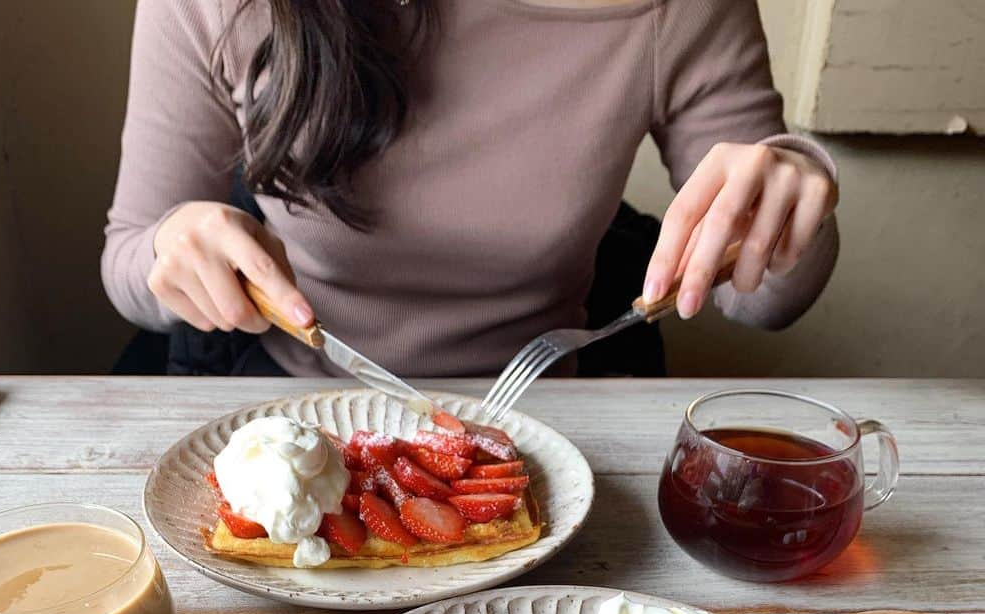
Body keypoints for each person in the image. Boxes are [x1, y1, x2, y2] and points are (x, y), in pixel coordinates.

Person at [102, 0, 838, 378]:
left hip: (548, 433)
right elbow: (129, 259)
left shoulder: (672, 12)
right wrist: (170, 247)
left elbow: (762, 299)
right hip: (282, 413)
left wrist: (791, 187)